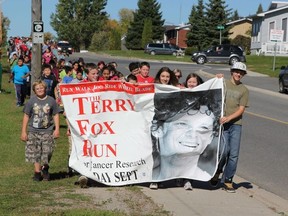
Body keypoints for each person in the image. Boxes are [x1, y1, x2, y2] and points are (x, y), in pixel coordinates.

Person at [150, 90, 222, 190]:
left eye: (204, 128)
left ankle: (187, 181)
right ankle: (158, 182)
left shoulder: (205, 175)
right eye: (182, 124)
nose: (192, 135)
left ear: (211, 136)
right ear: (157, 129)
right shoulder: (143, 174)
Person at [210, 62, 249, 193]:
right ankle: (217, 172)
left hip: (236, 125)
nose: (239, 74)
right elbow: (212, 91)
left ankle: (228, 180)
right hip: (223, 124)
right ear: (232, 71)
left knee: (234, 155)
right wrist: (216, 78)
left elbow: (241, 109)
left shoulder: (244, 90)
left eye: (241, 73)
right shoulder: (223, 83)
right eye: (237, 71)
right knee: (224, 151)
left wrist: (229, 118)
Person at [20, 80, 60, 181]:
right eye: (37, 89)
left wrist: (57, 129)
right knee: (35, 152)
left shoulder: (51, 101)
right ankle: (37, 172)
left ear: (45, 88)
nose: (40, 90)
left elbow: (55, 114)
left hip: (47, 130)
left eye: (41, 88)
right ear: (34, 90)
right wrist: (23, 131)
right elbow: (26, 115)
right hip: (33, 131)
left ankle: (45, 167)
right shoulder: (31, 101)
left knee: (48, 151)